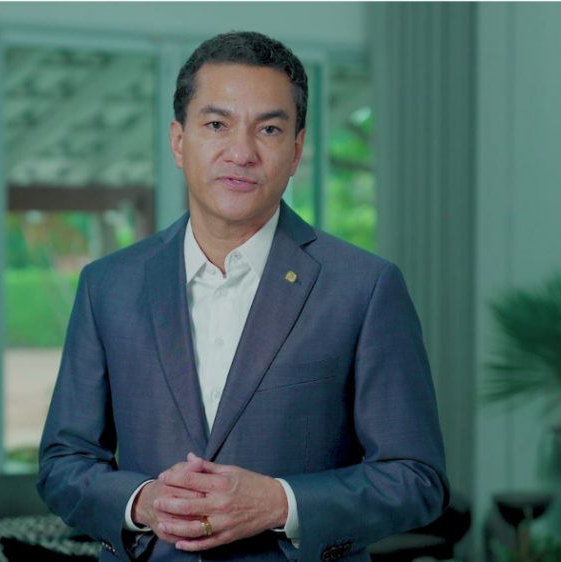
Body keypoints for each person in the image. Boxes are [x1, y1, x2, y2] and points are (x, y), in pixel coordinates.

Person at [37, 31, 448, 562]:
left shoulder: (365, 287)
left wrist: (279, 503)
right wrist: (143, 503)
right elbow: (63, 463)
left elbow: (417, 479)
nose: (241, 153)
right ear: (178, 141)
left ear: (296, 150)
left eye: (269, 129)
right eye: (216, 125)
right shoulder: (108, 285)